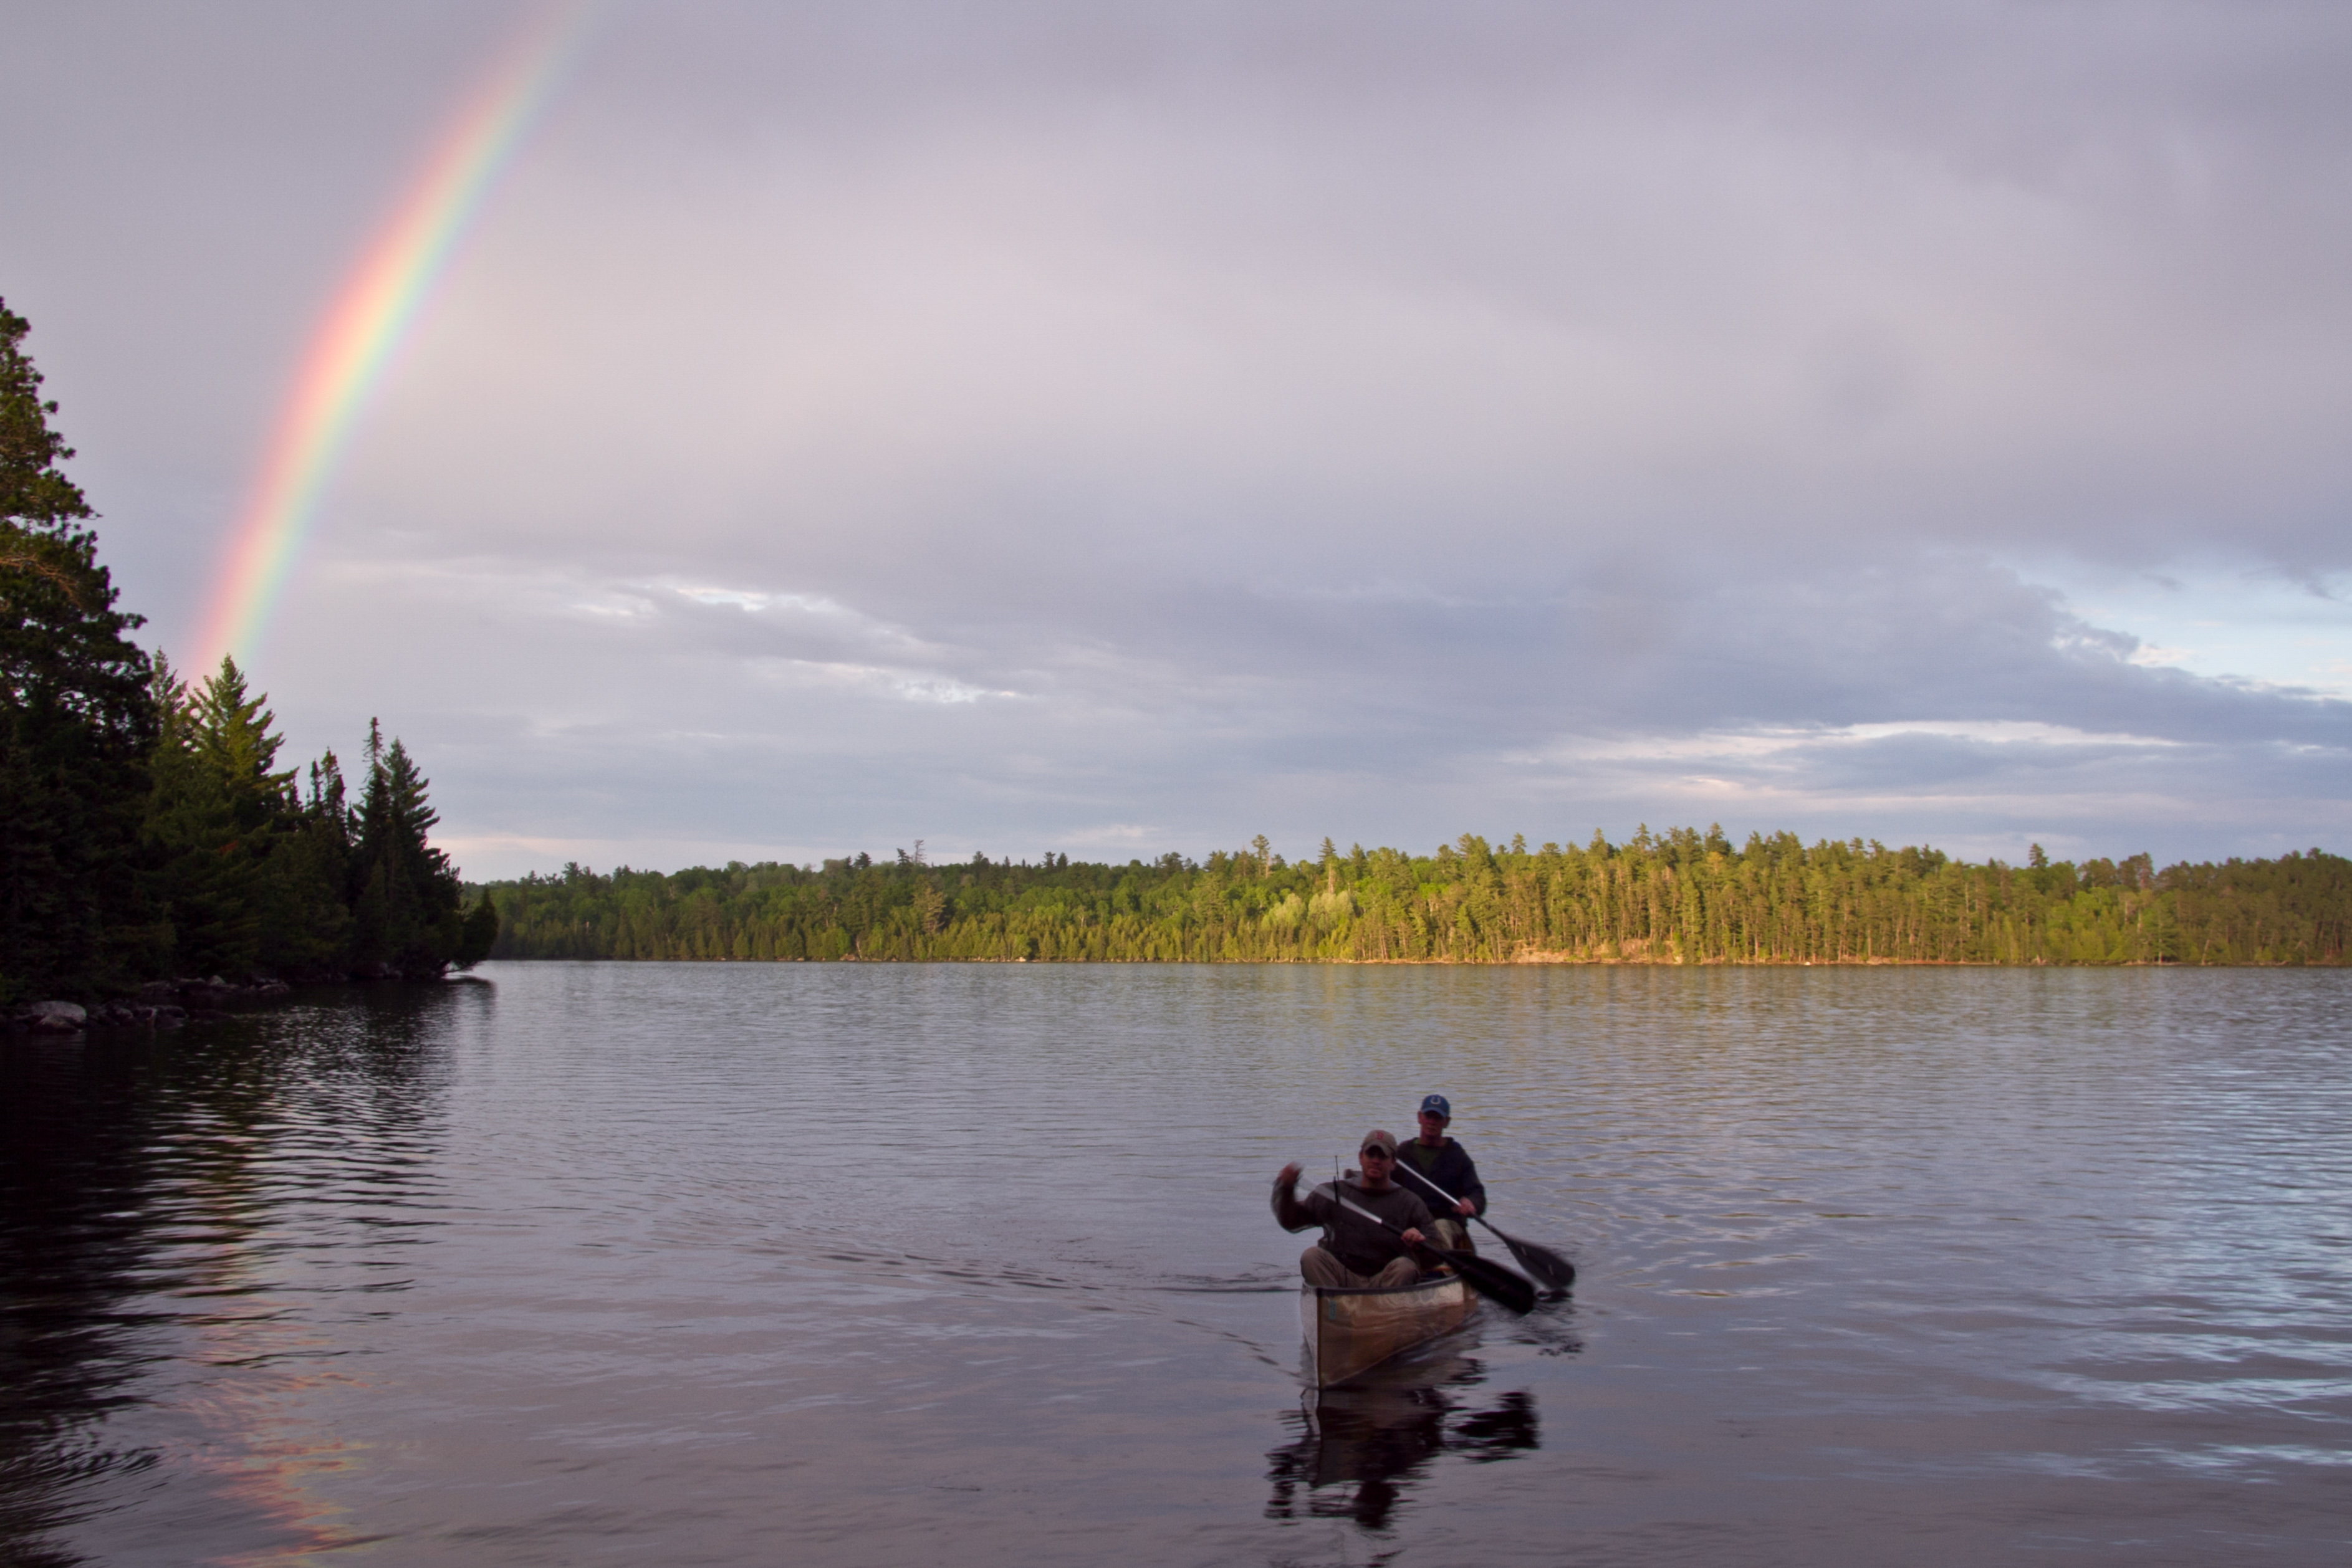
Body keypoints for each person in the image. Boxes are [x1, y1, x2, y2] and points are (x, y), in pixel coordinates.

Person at [1273, 1130, 1436, 1288]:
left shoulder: (1409, 1202)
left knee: (1405, 1267)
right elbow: (1292, 1222)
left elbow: (1435, 1252)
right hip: (1342, 1280)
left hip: (1386, 1282)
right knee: (1311, 1256)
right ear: (1360, 1157)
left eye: (1382, 1156)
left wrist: (1419, 1242)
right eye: (1370, 1154)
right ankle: (1333, 1307)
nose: (1375, 1161)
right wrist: (1287, 1189)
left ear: (1393, 1163)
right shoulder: (1334, 1193)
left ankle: (1384, 1310)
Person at [1391, 1094, 1486, 1253]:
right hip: (1412, 1223)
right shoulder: (1402, 1154)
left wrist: (1471, 1203)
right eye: (1429, 1116)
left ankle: (1436, 1264)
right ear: (1420, 1117)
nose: (1432, 1122)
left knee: (1440, 1228)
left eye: (1438, 1118)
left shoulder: (1458, 1156)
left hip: (1447, 1222)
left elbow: (1477, 1193)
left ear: (1446, 1122)